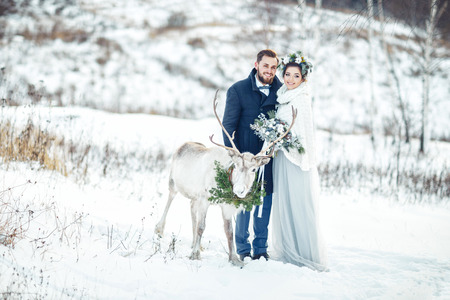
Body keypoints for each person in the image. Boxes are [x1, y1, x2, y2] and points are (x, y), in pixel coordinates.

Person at [222, 49, 282, 261]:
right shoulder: (238, 90)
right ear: (256, 65)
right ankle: (242, 248)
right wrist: (235, 158)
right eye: (266, 66)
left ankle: (261, 248)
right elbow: (228, 127)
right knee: (243, 199)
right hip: (244, 159)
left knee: (264, 201)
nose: (270, 70)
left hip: (267, 158)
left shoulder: (281, 92)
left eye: (274, 67)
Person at [270, 51, 328, 271]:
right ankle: (288, 249)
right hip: (282, 158)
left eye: (296, 76)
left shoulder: (302, 98)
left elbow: (305, 132)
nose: (290, 79)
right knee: (285, 203)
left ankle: (306, 253)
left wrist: (288, 142)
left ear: (303, 78)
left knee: (299, 204)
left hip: (296, 158)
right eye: (287, 75)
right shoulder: (282, 95)